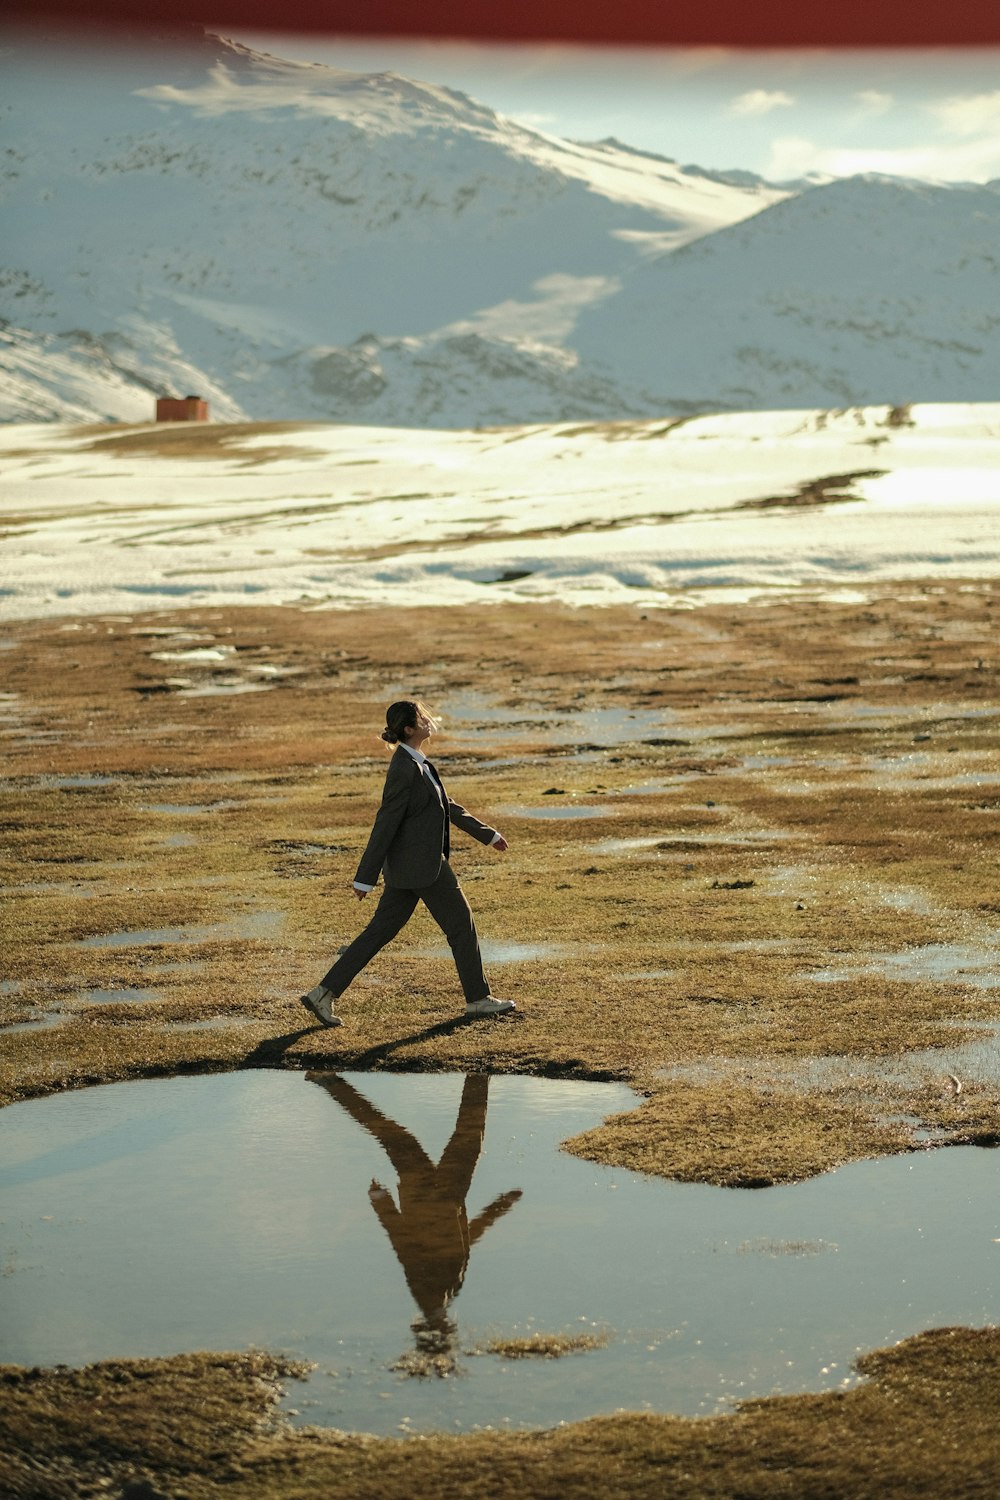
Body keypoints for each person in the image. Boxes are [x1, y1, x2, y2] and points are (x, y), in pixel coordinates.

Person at [300, 699, 516, 1026]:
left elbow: (448, 806)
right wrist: (364, 878)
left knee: (377, 933)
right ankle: (478, 1000)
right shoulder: (403, 767)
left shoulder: (417, 762)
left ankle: (323, 994)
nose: (428, 720)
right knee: (461, 926)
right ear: (409, 729)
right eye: (421, 717)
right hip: (425, 868)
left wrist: (488, 835)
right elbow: (385, 822)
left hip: (407, 870)